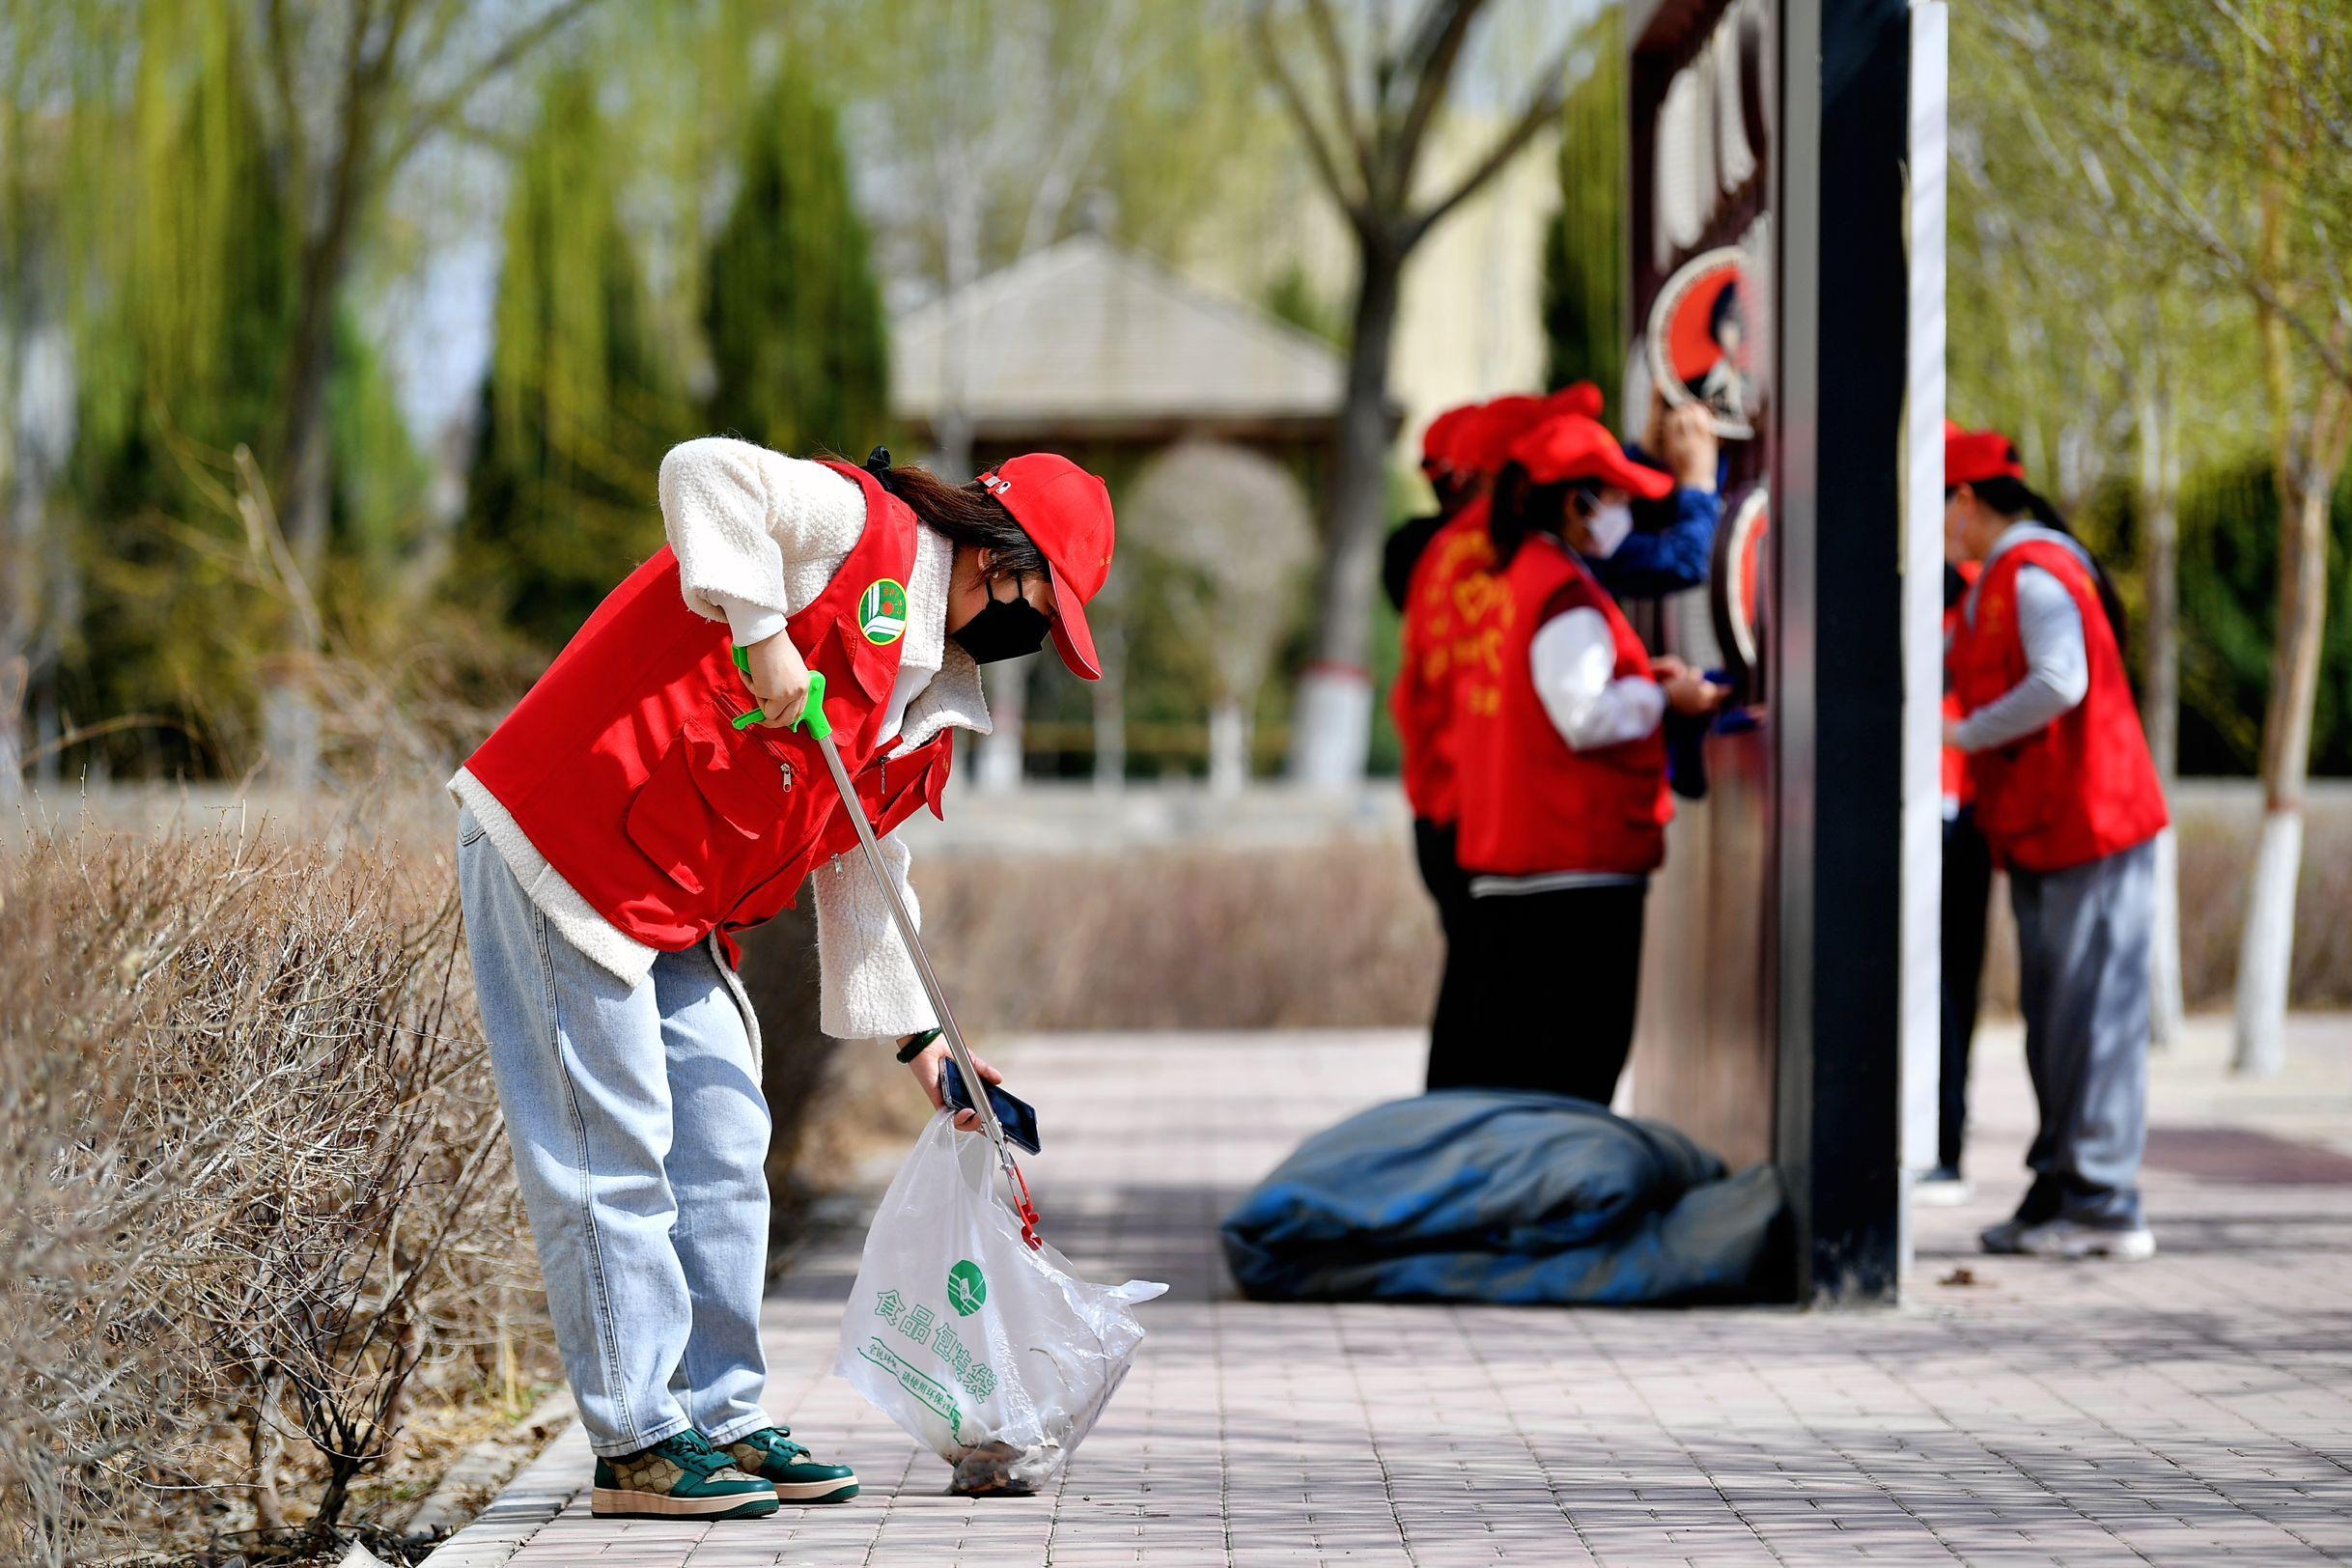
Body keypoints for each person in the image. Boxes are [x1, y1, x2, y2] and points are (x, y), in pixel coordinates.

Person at [449, 438, 1115, 1519]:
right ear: (999, 554)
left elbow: (859, 854)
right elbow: (699, 470)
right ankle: (638, 1442)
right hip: (564, 847)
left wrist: (923, 1042)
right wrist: (763, 639)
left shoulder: (931, 697)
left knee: (721, 1144)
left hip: (671, 894)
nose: (1032, 634)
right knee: (608, 1155)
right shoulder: (858, 531)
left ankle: (721, 1415)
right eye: (1044, 601)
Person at [1442, 412, 1727, 1102]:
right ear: (1579, 503)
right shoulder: (1562, 593)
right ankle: (1567, 1206)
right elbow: (1584, 714)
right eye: (1621, 498)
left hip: (1527, 865)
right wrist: (1666, 700)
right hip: (1573, 871)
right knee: (1577, 1068)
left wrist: (1639, 684)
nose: (1627, 514)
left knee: (1535, 1069)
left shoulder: (1519, 579)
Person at [1945, 421, 2167, 1262]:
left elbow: (2060, 681)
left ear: (1964, 500)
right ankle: (2061, 1187)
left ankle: (2105, 1200)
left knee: (2093, 1019)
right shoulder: (1997, 579)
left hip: (2094, 827)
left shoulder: (2034, 575)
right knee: (2056, 1023)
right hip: (2048, 834)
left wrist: (1965, 736)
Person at [1918, 555, 1992, 1205]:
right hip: (1916, 809)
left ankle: (1944, 1145)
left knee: (1950, 988)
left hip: (1958, 809)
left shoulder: (1978, 591)